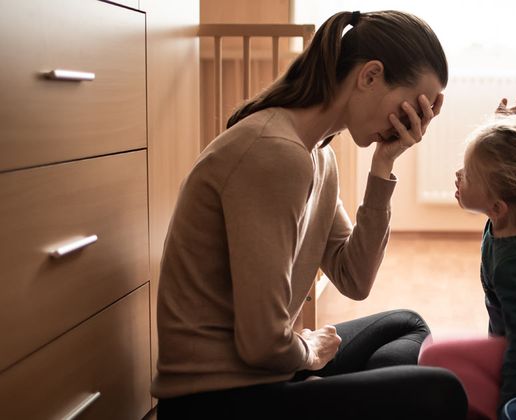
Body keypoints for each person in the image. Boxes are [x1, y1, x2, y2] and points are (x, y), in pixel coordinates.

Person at [152, 10, 467, 420]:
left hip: (266, 375)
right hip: (215, 399)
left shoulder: (319, 156)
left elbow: (354, 279)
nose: (406, 125)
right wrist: (310, 353)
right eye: (408, 108)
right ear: (369, 76)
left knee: (406, 325)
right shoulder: (273, 151)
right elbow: (262, 343)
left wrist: (383, 166)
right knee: (442, 394)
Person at [418, 96, 516, 420]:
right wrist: (505, 126)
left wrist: (512, 407)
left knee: (431, 358)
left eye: (470, 175)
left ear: (497, 207)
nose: (458, 174)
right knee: (432, 355)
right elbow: (512, 170)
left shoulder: (515, 263)